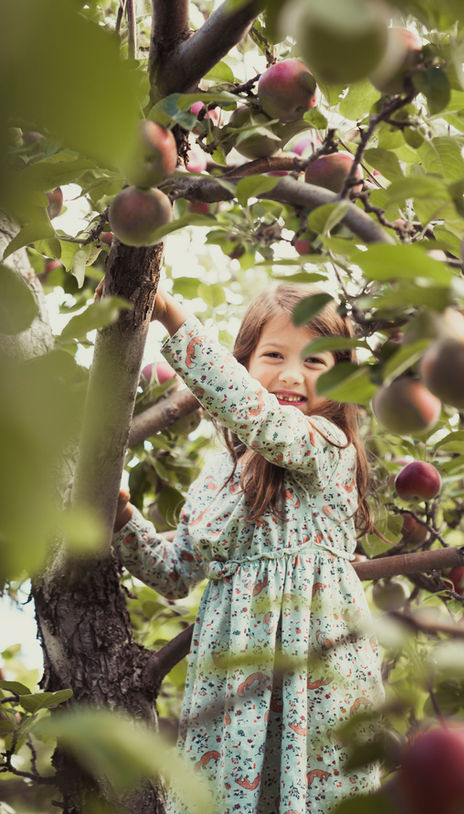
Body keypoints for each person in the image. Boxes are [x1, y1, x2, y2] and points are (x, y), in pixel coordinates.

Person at [109, 282, 384, 814]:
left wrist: (169, 314)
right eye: (273, 355)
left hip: (316, 664)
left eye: (316, 362)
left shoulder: (328, 447)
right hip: (234, 672)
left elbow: (265, 423)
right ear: (245, 362)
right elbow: (176, 572)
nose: (290, 374)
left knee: (318, 783)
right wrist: (123, 519)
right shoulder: (218, 477)